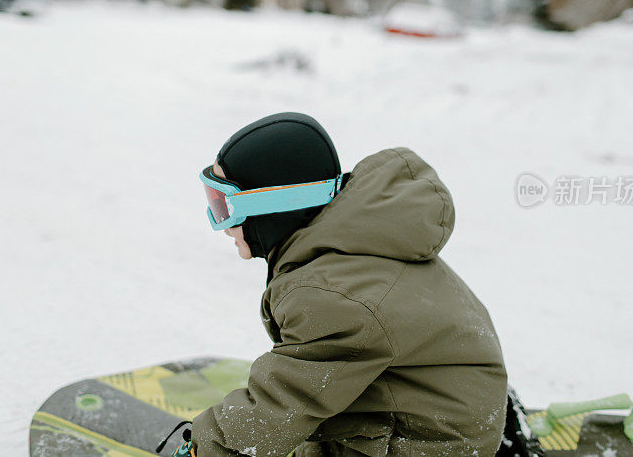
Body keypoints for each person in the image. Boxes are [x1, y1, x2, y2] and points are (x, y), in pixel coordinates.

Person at [192, 112, 508, 456]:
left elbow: (278, 409)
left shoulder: (333, 295)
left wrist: (201, 449)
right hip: (418, 412)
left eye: (224, 206)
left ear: (270, 205)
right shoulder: (359, 246)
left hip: (423, 443)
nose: (221, 225)